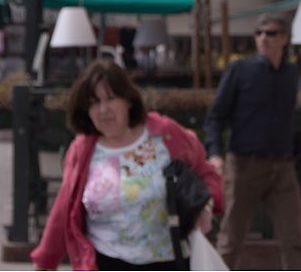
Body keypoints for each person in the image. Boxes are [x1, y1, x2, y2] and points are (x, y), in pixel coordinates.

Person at [31, 60, 223, 270]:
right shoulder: (82, 150)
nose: (103, 110)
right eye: (94, 102)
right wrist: (44, 263)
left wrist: (206, 207)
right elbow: (63, 210)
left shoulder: (165, 134)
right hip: (105, 262)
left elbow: (207, 174)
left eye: (111, 99)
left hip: (170, 260)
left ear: (129, 100)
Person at [204, 13, 301, 271]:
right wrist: (215, 155)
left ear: (284, 38)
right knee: (231, 239)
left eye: (271, 33)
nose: (263, 38)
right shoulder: (239, 70)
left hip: (282, 167)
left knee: (294, 239)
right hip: (244, 166)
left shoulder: (291, 73)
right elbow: (215, 117)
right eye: (259, 33)